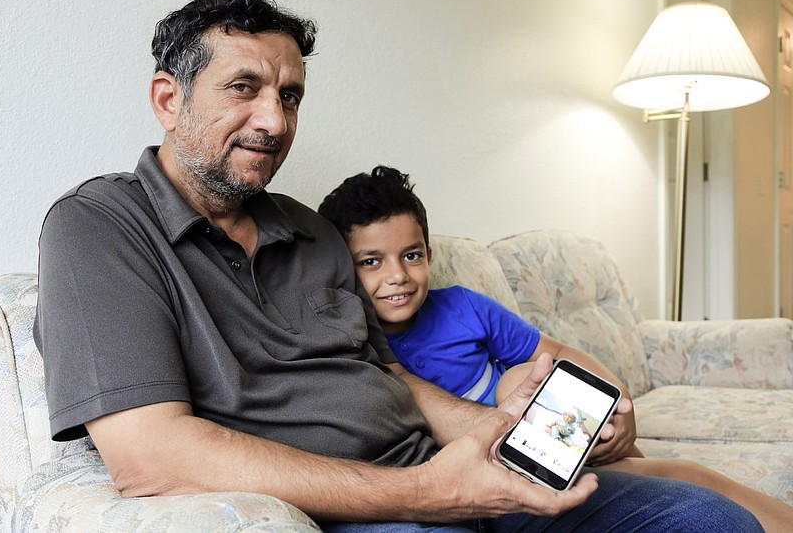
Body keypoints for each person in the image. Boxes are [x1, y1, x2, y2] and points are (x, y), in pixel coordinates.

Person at [33, 0, 764, 532]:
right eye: (244, 88)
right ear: (169, 97)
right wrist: (425, 494)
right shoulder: (98, 230)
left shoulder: (311, 232)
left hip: (449, 478)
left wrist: (503, 435)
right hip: (355, 510)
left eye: (290, 96)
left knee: (704, 518)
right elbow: (148, 457)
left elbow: (391, 376)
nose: (275, 121)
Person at [317, 164, 793, 531]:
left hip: (555, 441)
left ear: (429, 254)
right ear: (342, 268)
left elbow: (556, 350)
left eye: (412, 255)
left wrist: (619, 402)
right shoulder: (351, 343)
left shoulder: (461, 307)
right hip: (484, 467)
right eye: (371, 261)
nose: (397, 275)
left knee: (685, 475)